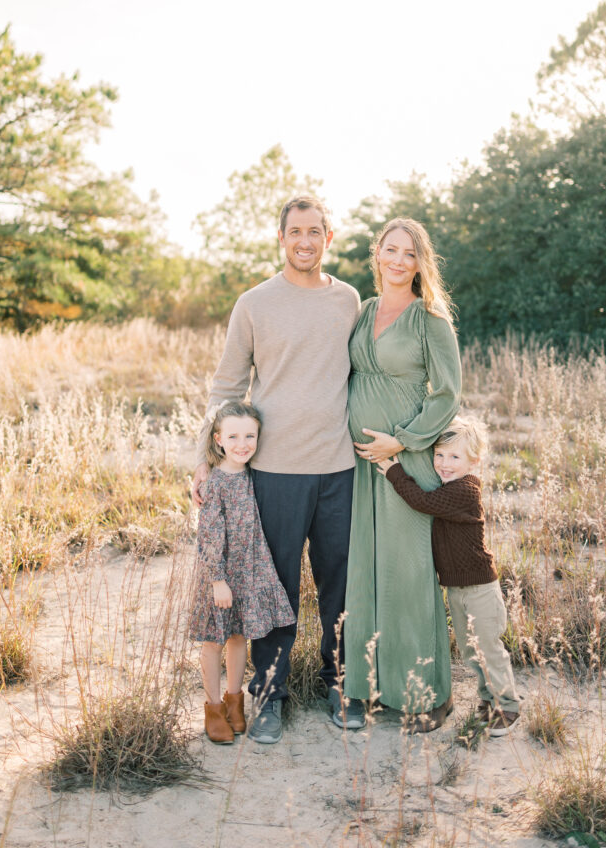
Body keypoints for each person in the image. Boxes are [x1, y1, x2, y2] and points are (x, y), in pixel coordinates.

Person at [192, 194, 364, 745]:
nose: (306, 241)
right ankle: (269, 696)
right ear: (282, 237)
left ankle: (341, 683)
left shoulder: (349, 300)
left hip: (340, 467)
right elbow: (225, 386)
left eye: (316, 231)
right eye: (296, 231)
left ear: (329, 238)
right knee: (274, 588)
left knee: (340, 584)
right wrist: (204, 458)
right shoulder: (255, 303)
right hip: (273, 473)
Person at [344, 218, 461, 731]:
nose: (397, 260)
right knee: (367, 570)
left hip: (405, 459)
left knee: (409, 574)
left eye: (408, 253)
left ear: (420, 263)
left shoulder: (430, 318)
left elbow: (448, 392)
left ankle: (426, 696)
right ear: (378, 255)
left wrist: (405, 440)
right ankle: (366, 688)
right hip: (358, 464)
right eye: (390, 250)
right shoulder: (363, 311)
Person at [377, 414, 521, 735]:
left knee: (488, 647)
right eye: (439, 456)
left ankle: (508, 705)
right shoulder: (449, 485)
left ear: (473, 460)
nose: (444, 463)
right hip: (457, 588)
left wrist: (394, 472)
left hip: (480, 587)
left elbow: (422, 501)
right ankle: (488, 700)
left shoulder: (464, 491)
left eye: (454, 457)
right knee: (471, 649)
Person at [189, 400, 294, 744]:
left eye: (250, 435)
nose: (242, 444)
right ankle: (214, 707)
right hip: (219, 574)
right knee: (213, 640)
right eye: (233, 436)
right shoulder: (215, 482)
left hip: (249, 571)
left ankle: (237, 702)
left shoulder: (254, 477)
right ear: (218, 439)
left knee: (238, 638)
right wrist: (218, 580)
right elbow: (209, 535)